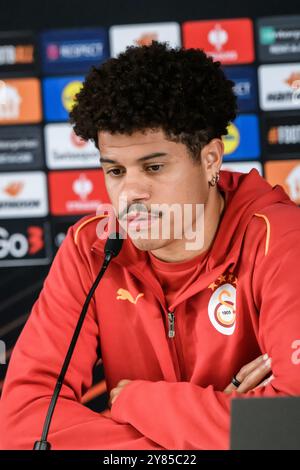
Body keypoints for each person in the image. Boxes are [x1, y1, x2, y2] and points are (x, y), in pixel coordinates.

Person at [0, 41, 300, 450]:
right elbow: (22, 420)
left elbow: (290, 423)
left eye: (154, 167)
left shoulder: (281, 239)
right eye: (116, 170)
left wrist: (139, 401)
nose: (130, 193)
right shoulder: (91, 248)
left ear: (211, 159)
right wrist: (204, 434)